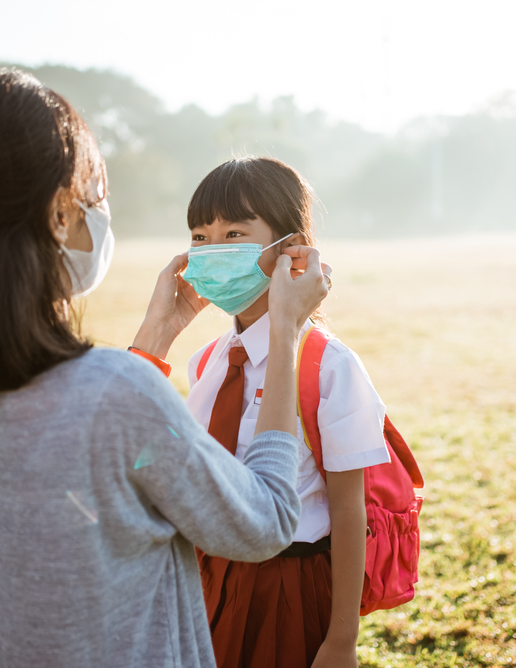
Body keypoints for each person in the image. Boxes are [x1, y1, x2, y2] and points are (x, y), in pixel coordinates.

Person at [0, 70, 329, 667]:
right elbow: (265, 520)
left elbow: (95, 461)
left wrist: (156, 336)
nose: (103, 208)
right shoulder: (117, 393)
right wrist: (285, 332)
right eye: (95, 191)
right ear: (57, 214)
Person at [180, 157, 391, 668]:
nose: (212, 252)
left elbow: (347, 510)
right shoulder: (205, 361)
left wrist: (342, 641)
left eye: (234, 233)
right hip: (207, 581)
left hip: (288, 586)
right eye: (200, 237)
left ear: (288, 248)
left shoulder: (329, 366)